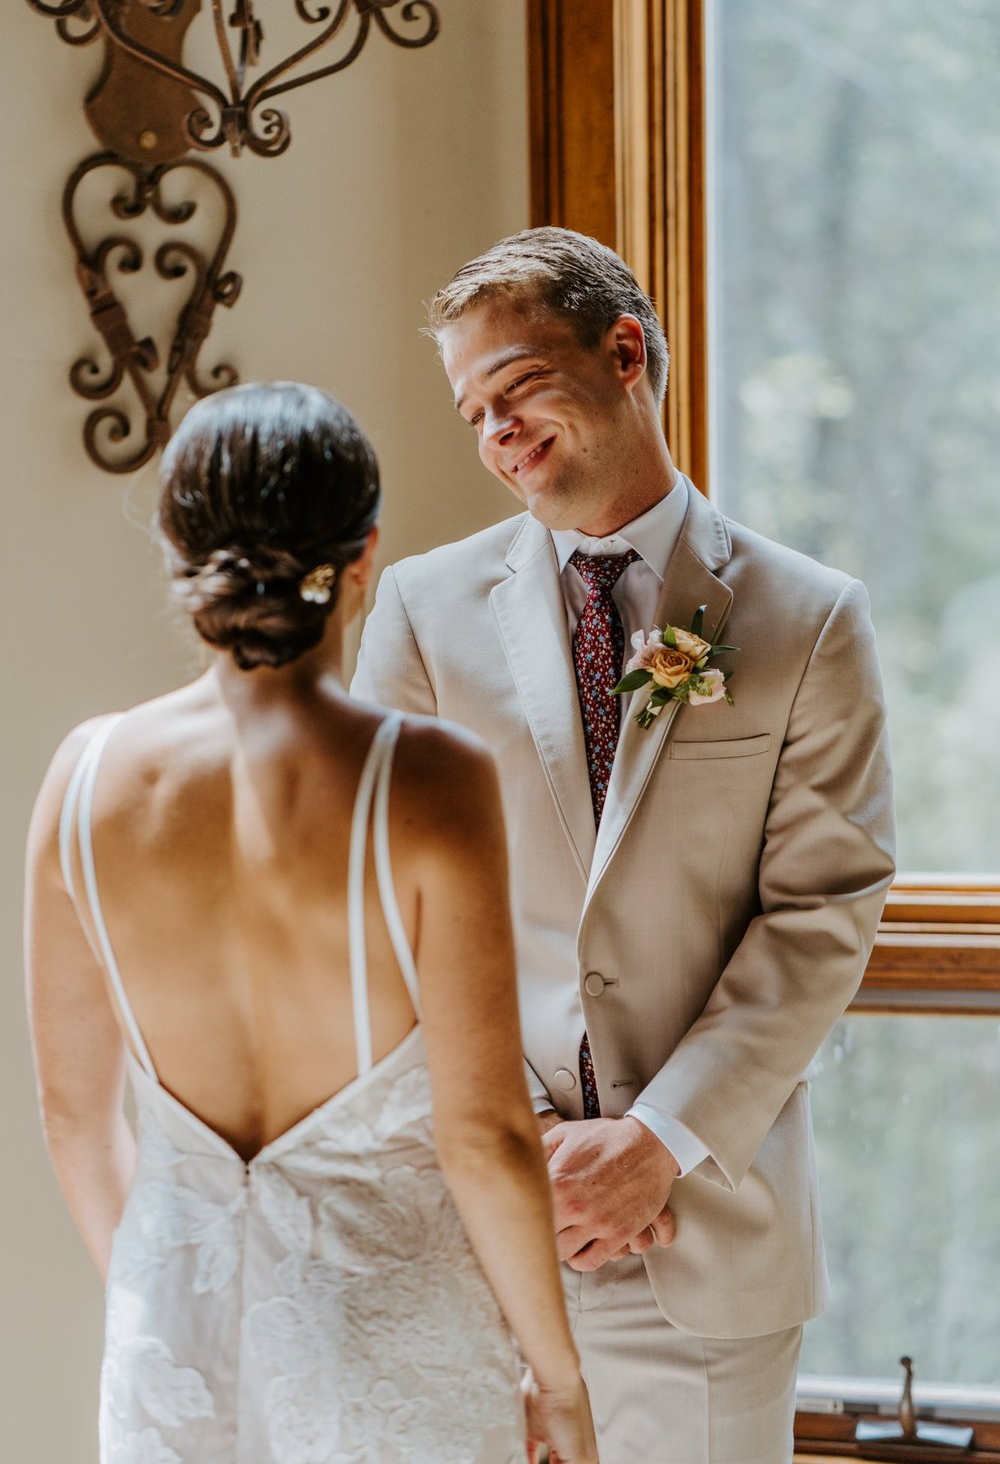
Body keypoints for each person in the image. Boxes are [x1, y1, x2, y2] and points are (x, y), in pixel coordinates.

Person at [352, 228, 896, 1464]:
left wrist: (654, 1144)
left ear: (623, 351)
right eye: (472, 411)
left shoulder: (804, 618)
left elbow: (823, 908)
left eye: (519, 384)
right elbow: (379, 907)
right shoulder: (425, 615)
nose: (496, 431)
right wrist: (516, 1145)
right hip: (478, 1226)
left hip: (703, 1235)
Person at [24, 381, 598, 1464]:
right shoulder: (429, 780)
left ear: (176, 548)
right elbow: (482, 1137)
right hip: (392, 1359)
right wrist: (558, 1382)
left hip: (170, 1369)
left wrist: (163, 1311)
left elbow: (72, 1117)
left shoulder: (84, 777)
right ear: (364, 554)